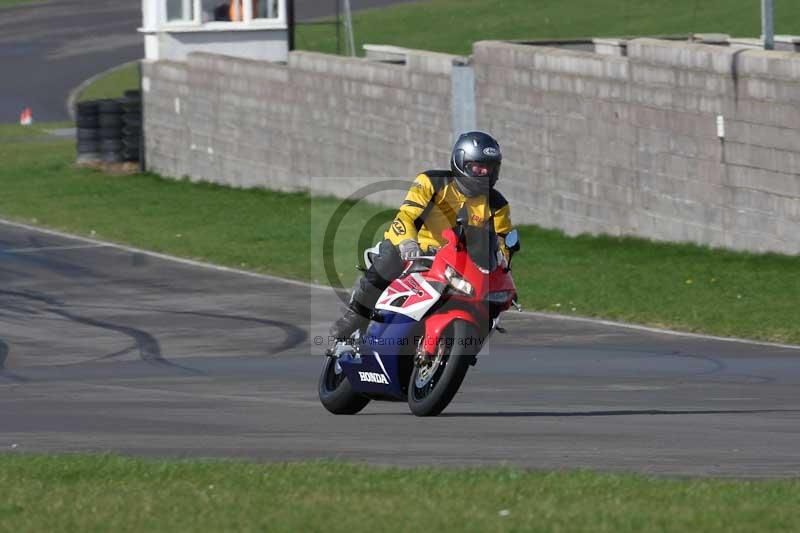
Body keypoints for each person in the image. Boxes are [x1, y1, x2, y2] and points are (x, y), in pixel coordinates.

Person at [329, 131, 514, 340]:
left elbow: (501, 242)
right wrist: (408, 243)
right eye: (477, 167)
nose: (483, 173)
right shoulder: (431, 182)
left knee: (489, 300)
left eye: (489, 168)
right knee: (390, 256)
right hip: (416, 251)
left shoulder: (498, 205)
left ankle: (466, 342)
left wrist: (501, 267)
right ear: (461, 162)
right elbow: (406, 215)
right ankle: (356, 314)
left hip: (458, 263)